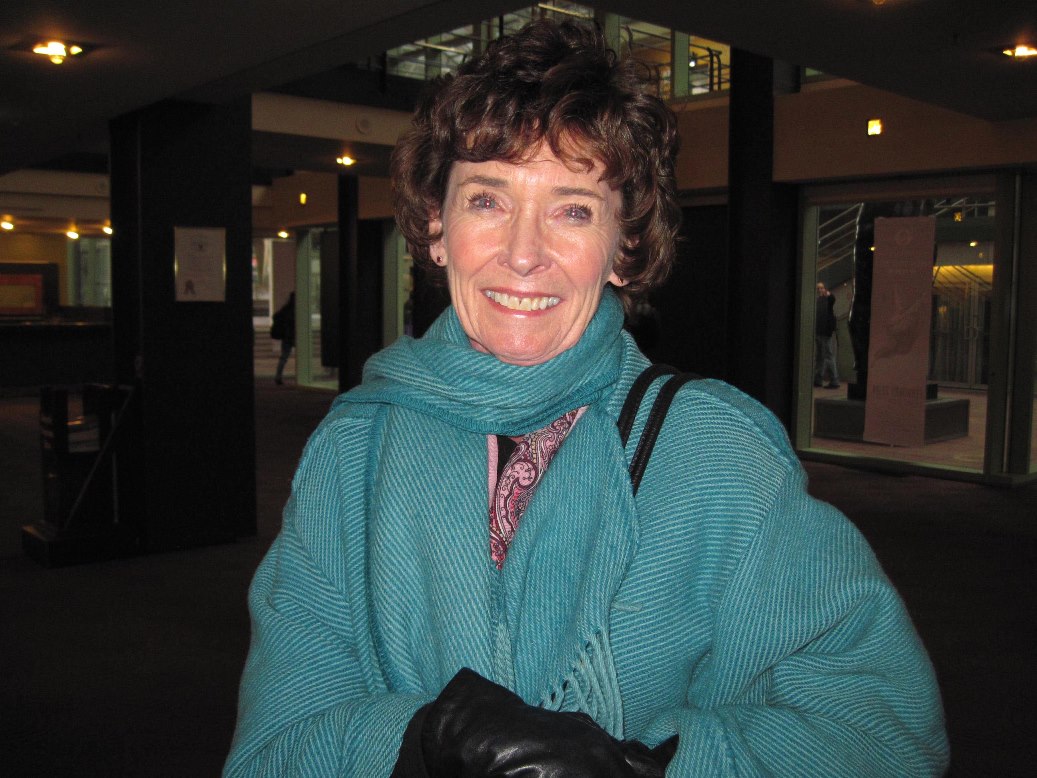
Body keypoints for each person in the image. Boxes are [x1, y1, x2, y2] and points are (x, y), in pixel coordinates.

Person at [225, 20, 948, 777]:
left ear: (624, 248)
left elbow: (882, 737)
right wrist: (423, 740)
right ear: (436, 227)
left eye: (572, 209)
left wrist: (644, 768)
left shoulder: (718, 455)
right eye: (487, 201)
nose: (523, 254)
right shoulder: (352, 452)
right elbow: (275, 745)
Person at [814, 282, 840, 388]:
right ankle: (818, 379)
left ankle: (834, 380)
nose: (820, 290)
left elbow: (833, 299)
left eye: (822, 288)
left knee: (828, 355)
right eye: (818, 288)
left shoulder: (827, 299)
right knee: (820, 356)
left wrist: (829, 294)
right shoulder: (817, 300)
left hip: (825, 332)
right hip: (819, 331)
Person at [272, 292, 295, 385]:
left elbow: (276, 316)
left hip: (287, 337)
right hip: (293, 336)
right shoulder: (295, 310)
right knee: (285, 357)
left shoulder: (285, 309)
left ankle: (278, 376)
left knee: (284, 357)